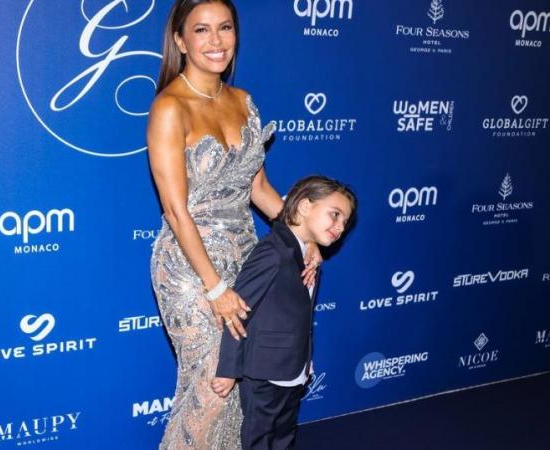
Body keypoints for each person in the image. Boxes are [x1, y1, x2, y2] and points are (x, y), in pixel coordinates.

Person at [147, 1, 322, 448]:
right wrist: (214, 288)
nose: (216, 41)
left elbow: (259, 190)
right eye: (202, 30)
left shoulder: (243, 101)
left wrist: (304, 238)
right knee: (211, 385)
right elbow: (175, 210)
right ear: (181, 41)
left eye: (224, 28)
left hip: (246, 260)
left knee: (243, 385)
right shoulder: (170, 108)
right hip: (191, 269)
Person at [214, 175, 356, 450]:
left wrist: (305, 362)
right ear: (304, 207)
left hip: (293, 369)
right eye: (335, 215)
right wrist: (229, 369)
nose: (339, 228)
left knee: (284, 437)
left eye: (345, 223)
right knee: (260, 440)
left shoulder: (306, 253)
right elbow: (238, 310)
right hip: (265, 372)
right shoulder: (273, 251)